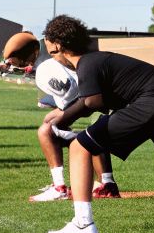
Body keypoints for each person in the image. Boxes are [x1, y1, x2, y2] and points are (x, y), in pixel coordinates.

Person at [38, 15, 154, 233]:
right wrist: (64, 114)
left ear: (56, 45)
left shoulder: (87, 63)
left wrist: (61, 120)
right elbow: (92, 100)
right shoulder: (97, 60)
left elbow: (91, 102)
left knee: (80, 146)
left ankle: (82, 223)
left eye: (51, 51)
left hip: (150, 102)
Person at [29, 54, 120, 201]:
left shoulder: (83, 85)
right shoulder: (86, 71)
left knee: (47, 130)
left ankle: (61, 187)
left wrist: (61, 115)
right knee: (92, 132)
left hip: (110, 127)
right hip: (109, 122)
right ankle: (105, 184)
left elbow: (82, 105)